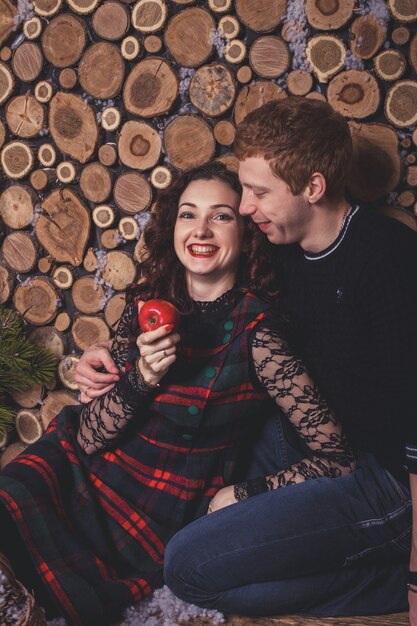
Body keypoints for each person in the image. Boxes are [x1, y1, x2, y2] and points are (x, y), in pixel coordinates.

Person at [78, 98, 417, 619]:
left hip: (381, 476)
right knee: (182, 517)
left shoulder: (390, 259)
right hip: (295, 439)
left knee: (189, 570)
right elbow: (203, 294)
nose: (245, 207)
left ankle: (385, 580)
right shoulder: (277, 245)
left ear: (314, 187)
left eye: (258, 193)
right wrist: (112, 352)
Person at [0, 162, 354, 626]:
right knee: (9, 500)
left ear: (246, 230)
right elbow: (88, 435)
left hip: (154, 505)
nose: (201, 229)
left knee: (66, 593)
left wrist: (246, 492)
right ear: (172, 226)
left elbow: (337, 455)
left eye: (221, 216)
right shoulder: (149, 300)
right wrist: (141, 376)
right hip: (80, 462)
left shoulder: (259, 334)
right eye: (189, 214)